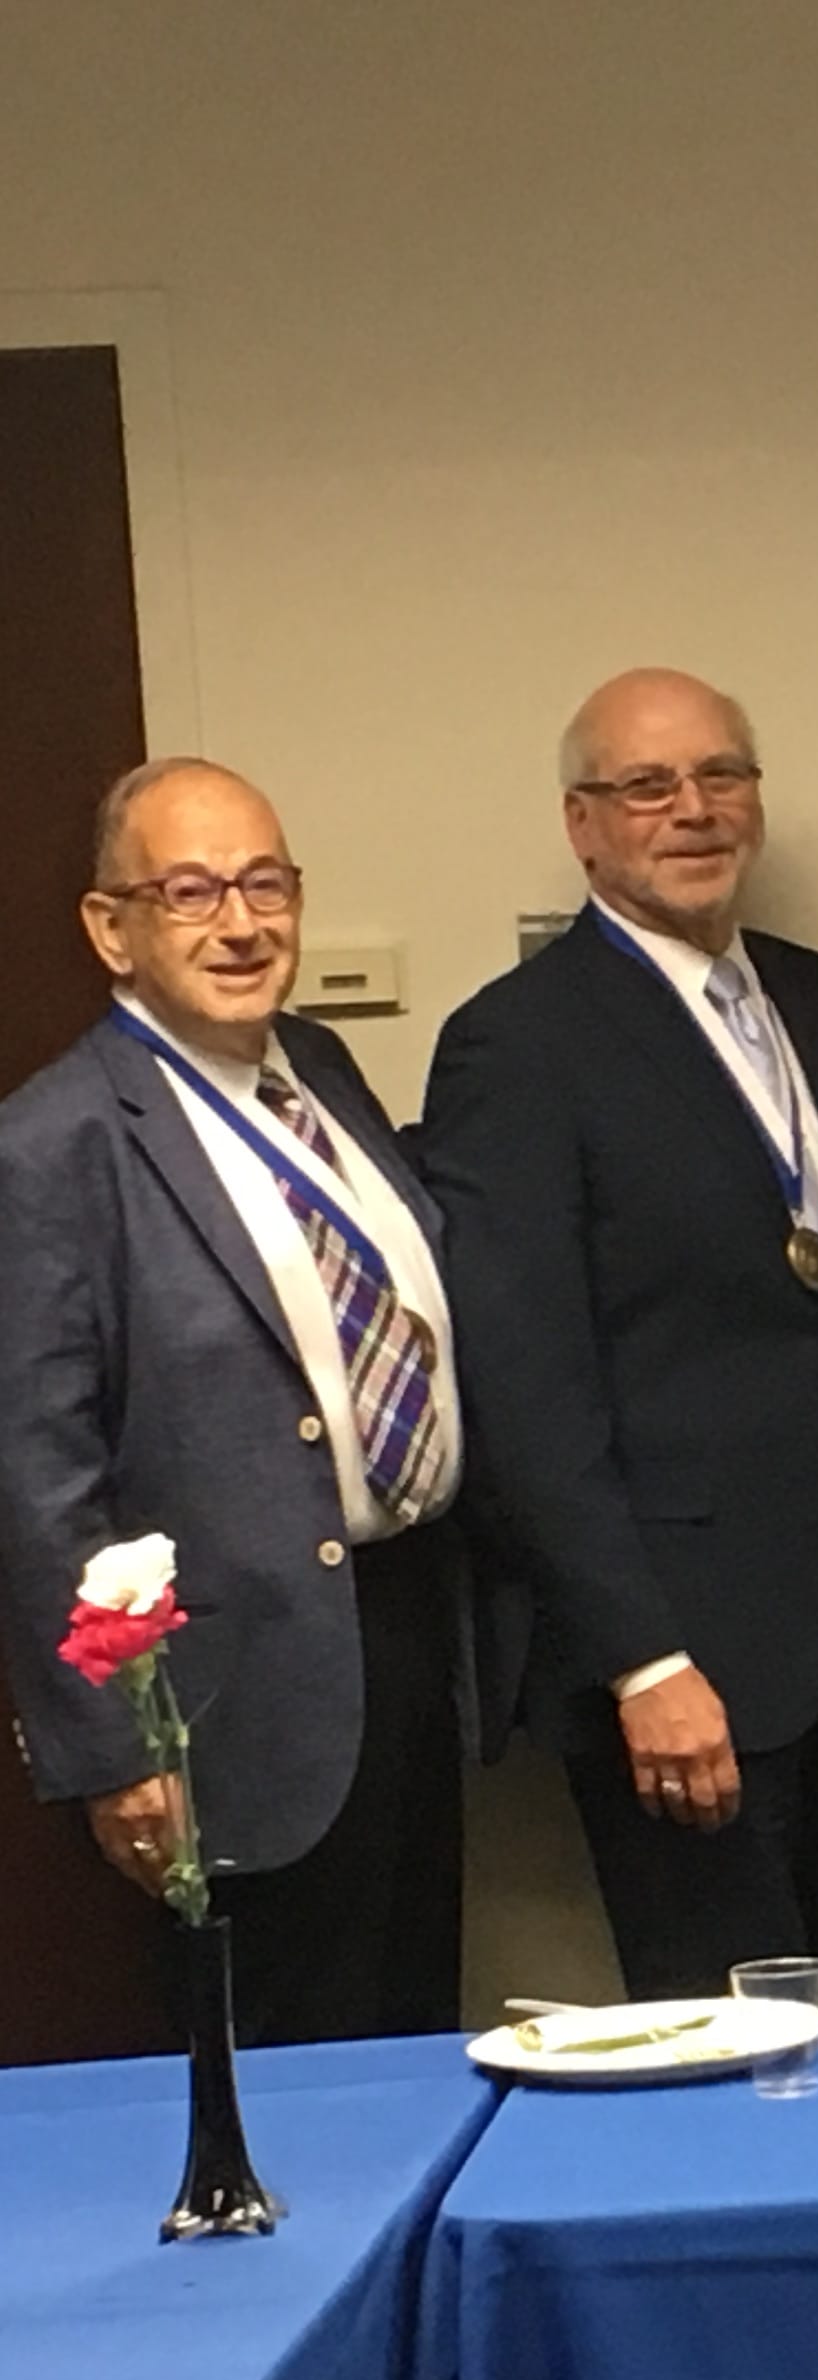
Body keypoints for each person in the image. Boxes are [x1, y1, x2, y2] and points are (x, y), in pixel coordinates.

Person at [423, 671, 818, 1996]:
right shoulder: (516, 1045)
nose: (693, 810)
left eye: (723, 777)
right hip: (685, 1662)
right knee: (733, 2053)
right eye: (649, 786)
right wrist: (643, 1659)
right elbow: (522, 1383)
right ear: (584, 825)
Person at [0, 761, 469, 2041]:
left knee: (413, 2042)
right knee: (290, 2072)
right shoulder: (57, 1145)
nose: (242, 924)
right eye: (192, 892)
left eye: (265, 884)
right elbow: (41, 1481)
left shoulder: (318, 1068)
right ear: (114, 928)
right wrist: (112, 1746)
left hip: (404, 1634)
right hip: (224, 1696)